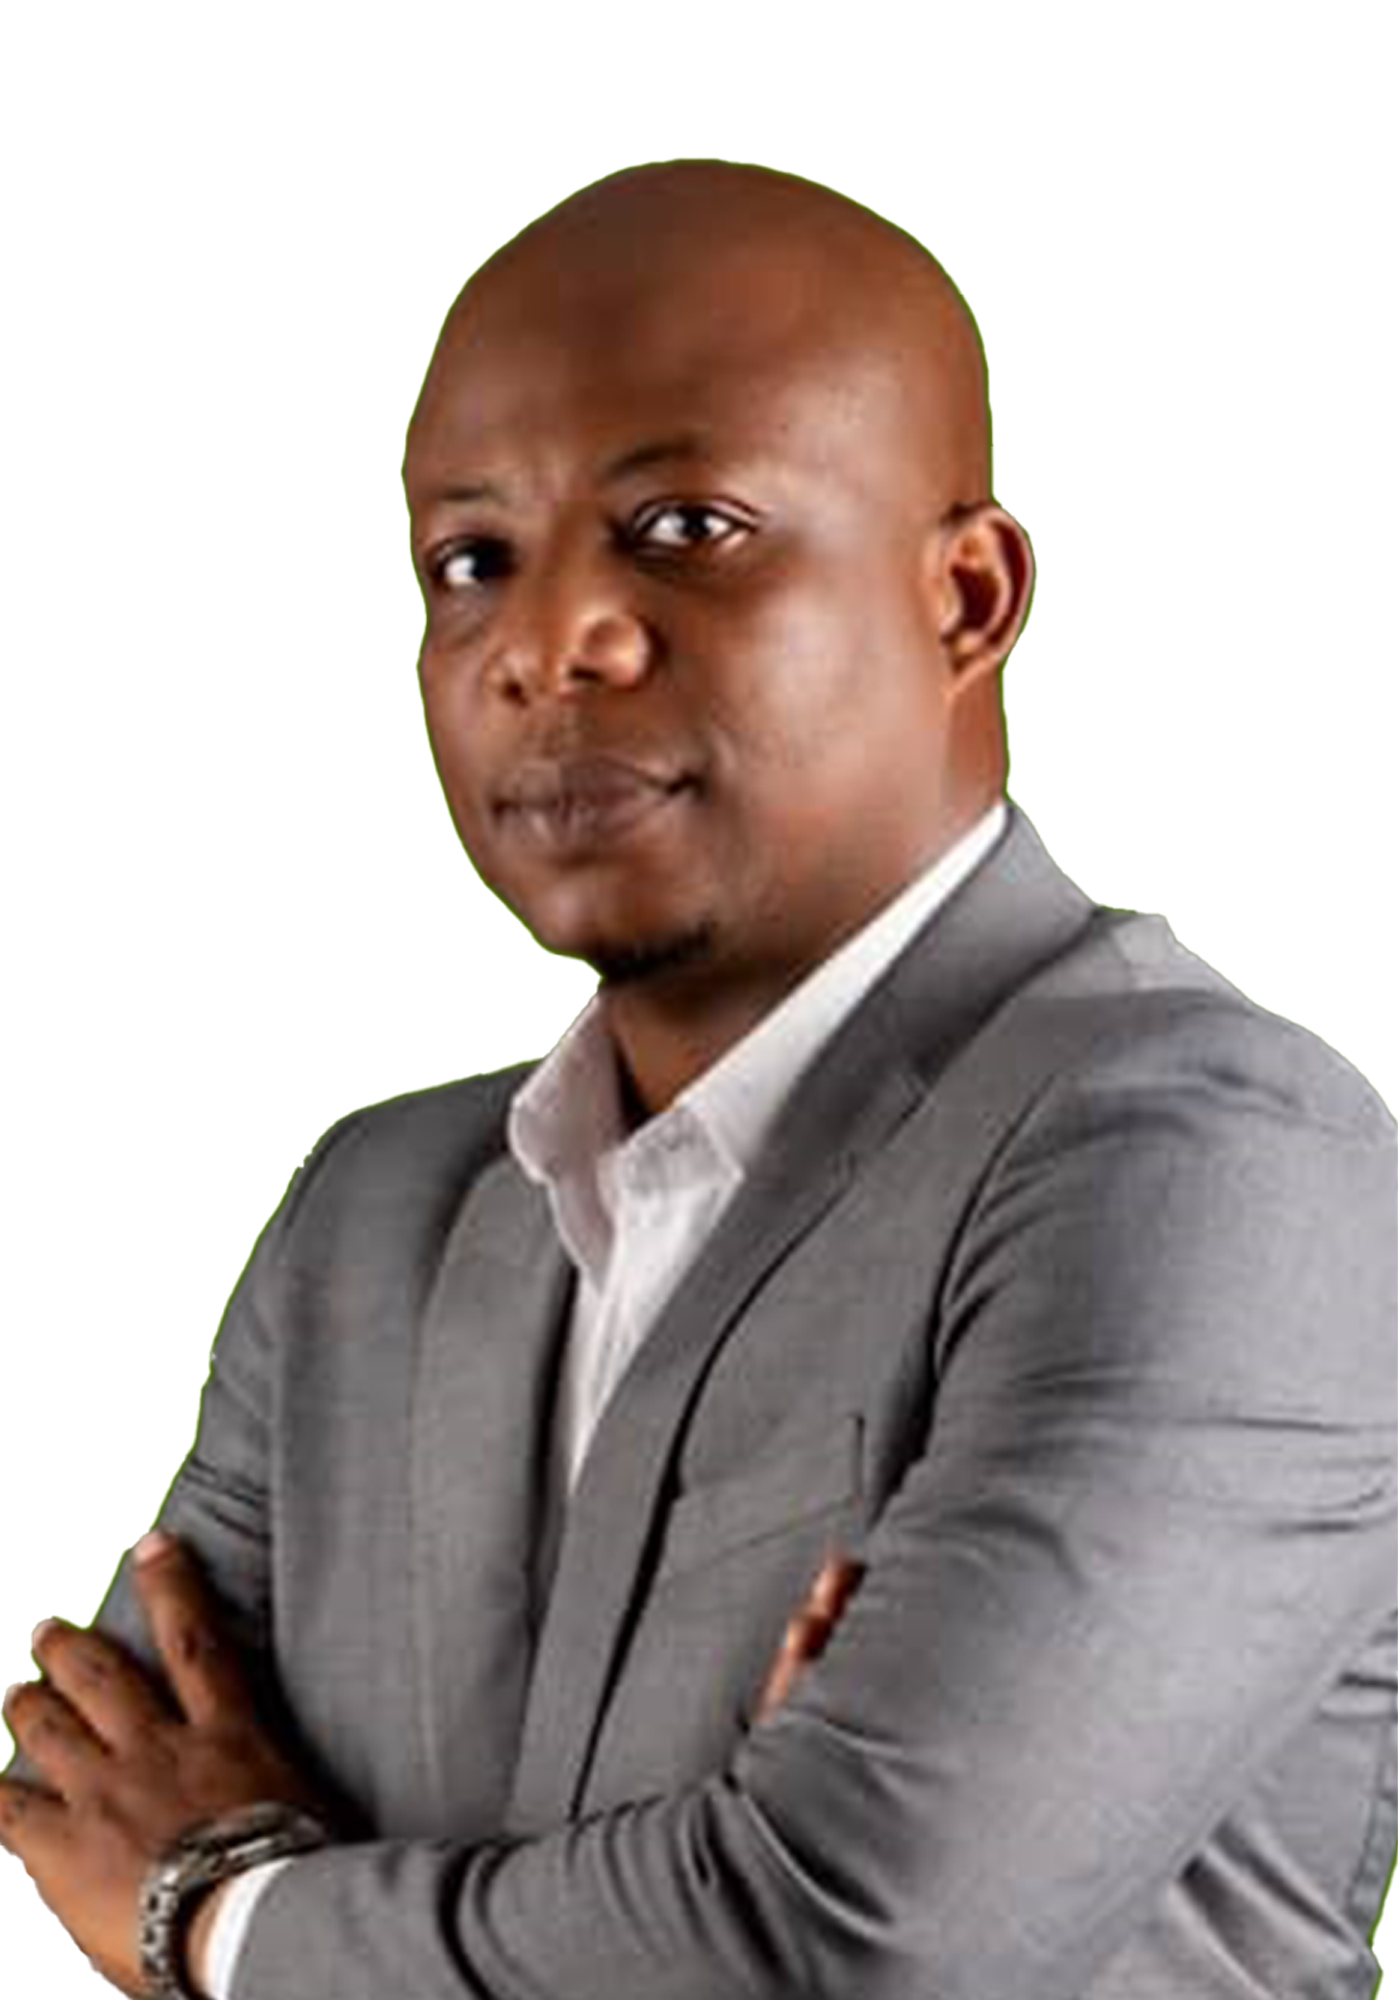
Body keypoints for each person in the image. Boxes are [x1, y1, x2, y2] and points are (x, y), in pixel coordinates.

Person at [3, 156, 1398, 2000]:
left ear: (965, 596)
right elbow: (47, 1916)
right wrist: (674, 1884)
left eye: (684, 528)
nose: (547, 641)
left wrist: (221, 1910)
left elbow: (834, 1935)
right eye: (470, 562)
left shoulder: (1208, 1162)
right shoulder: (370, 1219)